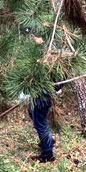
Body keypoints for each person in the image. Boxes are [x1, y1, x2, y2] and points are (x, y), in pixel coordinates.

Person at [23, 33, 56, 164]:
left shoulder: (46, 54)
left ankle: (47, 154)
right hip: (38, 92)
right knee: (32, 112)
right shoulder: (44, 50)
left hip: (42, 94)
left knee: (40, 124)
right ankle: (49, 141)